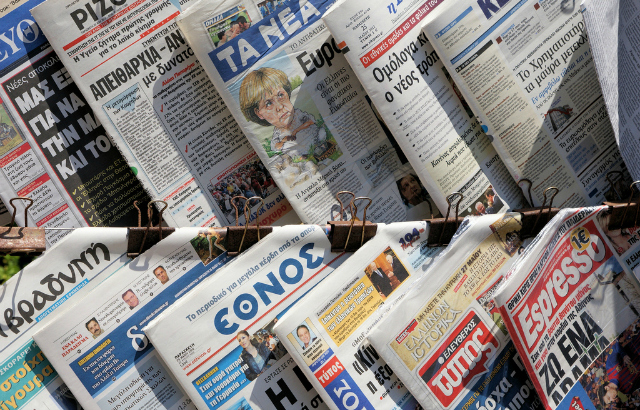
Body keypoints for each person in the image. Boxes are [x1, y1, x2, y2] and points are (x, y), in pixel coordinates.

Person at [239, 67, 326, 160]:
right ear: (259, 113)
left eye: (280, 95)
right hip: (300, 150)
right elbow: (276, 147)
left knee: (321, 133)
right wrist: (284, 140)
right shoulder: (277, 133)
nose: (280, 107)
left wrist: (296, 131)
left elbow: (311, 122)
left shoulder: (298, 115)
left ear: (287, 93)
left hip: (313, 138)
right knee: (287, 147)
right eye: (268, 103)